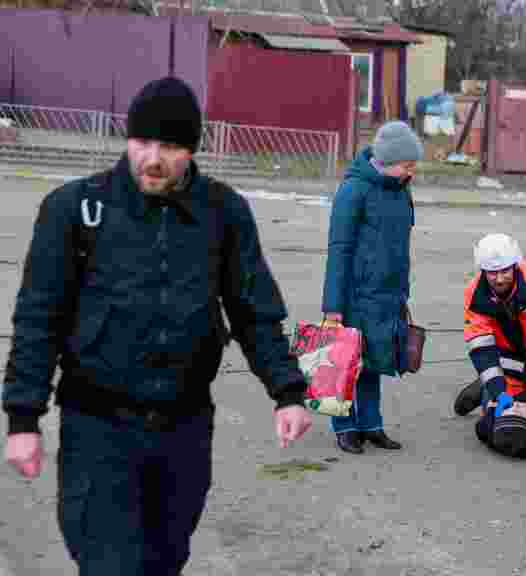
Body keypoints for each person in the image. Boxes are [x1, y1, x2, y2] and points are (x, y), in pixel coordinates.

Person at [2, 76, 312, 575]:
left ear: (191, 149)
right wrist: (23, 418)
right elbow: (40, 317)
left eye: (169, 146)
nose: (153, 158)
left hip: (184, 428)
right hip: (98, 426)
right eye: (143, 141)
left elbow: (254, 310)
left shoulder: (223, 212)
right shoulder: (74, 210)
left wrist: (287, 391)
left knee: (164, 562)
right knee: (111, 565)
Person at [322, 120, 422, 455]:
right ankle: (345, 426)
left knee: (375, 360)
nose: (412, 172)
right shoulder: (353, 190)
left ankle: (371, 425)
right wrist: (332, 307)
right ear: (388, 160)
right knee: (347, 361)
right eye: (407, 165)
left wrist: (402, 291)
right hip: (354, 295)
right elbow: (339, 249)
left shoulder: (401, 190)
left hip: (387, 295)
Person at [454, 233, 526, 416]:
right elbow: (481, 349)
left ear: (515, 266)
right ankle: (488, 386)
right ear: (482, 270)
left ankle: (497, 382)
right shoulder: (475, 294)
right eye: (492, 273)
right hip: (506, 353)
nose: (499, 279)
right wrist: (497, 391)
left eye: (505, 271)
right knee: (496, 407)